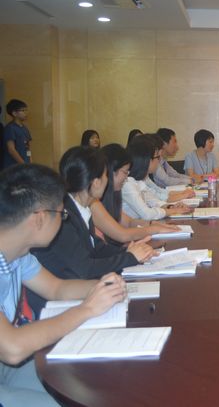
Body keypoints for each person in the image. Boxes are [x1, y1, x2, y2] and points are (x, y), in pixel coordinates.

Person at [0, 164, 127, 406]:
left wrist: (103, 287)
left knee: (90, 385)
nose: (63, 220)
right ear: (39, 218)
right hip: (9, 359)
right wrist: (86, 309)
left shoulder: (18, 254)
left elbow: (56, 288)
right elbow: (12, 347)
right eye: (61, 214)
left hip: (7, 367)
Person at [29, 147, 156, 313]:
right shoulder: (63, 215)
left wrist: (128, 251)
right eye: (105, 175)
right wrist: (129, 257)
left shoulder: (81, 207)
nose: (108, 180)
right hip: (60, 302)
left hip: (79, 290)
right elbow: (86, 268)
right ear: (95, 182)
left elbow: (97, 248)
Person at [90, 144, 179, 245]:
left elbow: (129, 222)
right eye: (125, 172)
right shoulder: (94, 203)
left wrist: (152, 224)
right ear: (111, 171)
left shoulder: (113, 195)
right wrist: (154, 229)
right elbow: (122, 234)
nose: (126, 177)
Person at [123, 136, 193, 220]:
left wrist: (171, 207)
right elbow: (147, 214)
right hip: (137, 226)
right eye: (157, 157)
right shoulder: (128, 183)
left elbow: (154, 201)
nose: (159, 161)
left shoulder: (140, 180)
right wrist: (174, 210)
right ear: (147, 160)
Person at [3, 99, 32, 168]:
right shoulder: (10, 128)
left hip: (25, 166)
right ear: (14, 113)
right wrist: (23, 164)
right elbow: (11, 150)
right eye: (23, 110)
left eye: (26, 110)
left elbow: (28, 148)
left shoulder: (25, 128)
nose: (25, 113)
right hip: (13, 167)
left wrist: (30, 162)